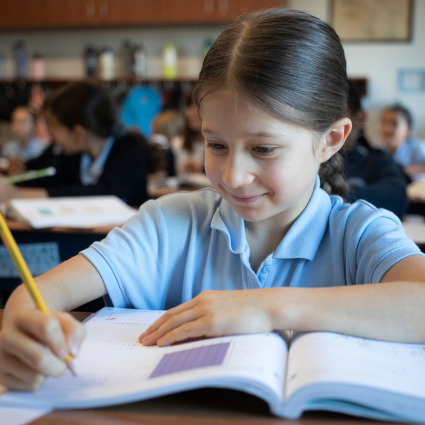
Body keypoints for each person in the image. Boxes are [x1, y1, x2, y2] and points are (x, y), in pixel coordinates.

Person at [2, 9, 425, 392]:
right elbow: (37, 294)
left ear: (330, 140)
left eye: (263, 149)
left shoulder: (359, 232)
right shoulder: (170, 224)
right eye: (216, 144)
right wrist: (20, 317)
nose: (233, 176)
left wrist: (266, 308)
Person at [0, 82, 149, 206]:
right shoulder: (75, 156)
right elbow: (51, 179)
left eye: (53, 126)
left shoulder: (130, 151)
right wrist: (13, 183)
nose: (49, 133)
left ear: (77, 133)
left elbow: (105, 193)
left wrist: (18, 194)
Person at [344, 80, 408, 217]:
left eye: (336, 115)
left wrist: (333, 196)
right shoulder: (310, 162)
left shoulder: (375, 160)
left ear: (360, 119)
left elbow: (397, 198)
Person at [380, 105, 425, 177]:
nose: (387, 128)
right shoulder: (379, 153)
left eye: (394, 123)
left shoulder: (418, 149)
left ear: (408, 130)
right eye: (384, 122)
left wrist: (404, 169)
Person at [170, 91, 205, 175]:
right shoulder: (176, 144)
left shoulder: (222, 145)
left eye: (198, 107)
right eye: (189, 106)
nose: (191, 113)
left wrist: (202, 169)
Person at [2, 106, 45, 173]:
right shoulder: (8, 148)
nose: (16, 127)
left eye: (22, 122)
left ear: (34, 124)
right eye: (14, 121)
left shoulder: (42, 150)